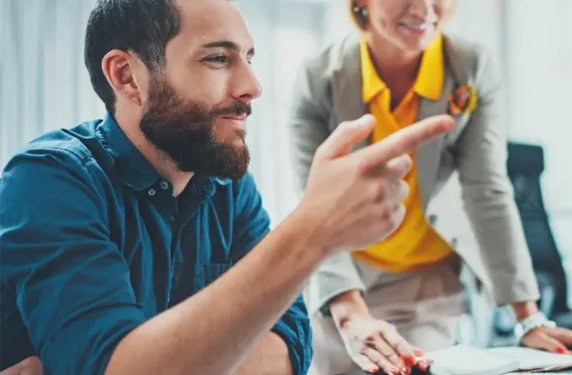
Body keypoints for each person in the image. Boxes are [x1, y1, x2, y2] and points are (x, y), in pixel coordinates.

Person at [0, 0, 454, 374]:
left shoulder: (226, 182)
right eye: (218, 58)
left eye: (249, 58)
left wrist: (168, 357)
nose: (252, 86)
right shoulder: (48, 179)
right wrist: (314, 230)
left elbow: (293, 345)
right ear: (126, 76)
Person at [288, 0, 572, 374]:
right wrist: (349, 316)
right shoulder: (320, 78)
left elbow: (485, 190)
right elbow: (315, 207)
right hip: (345, 271)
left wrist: (529, 318)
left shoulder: (468, 67)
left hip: (425, 281)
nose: (425, 8)